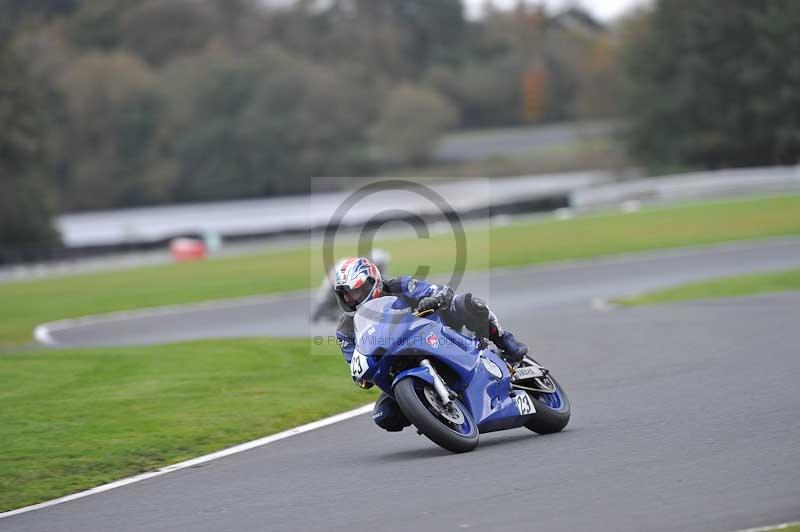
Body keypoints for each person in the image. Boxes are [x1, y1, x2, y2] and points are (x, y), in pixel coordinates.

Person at [333, 256, 529, 432]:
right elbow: (355, 365)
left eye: (355, 291)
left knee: (468, 303)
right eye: (345, 294)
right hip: (396, 362)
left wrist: (434, 298)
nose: (350, 298)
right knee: (384, 416)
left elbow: (437, 291)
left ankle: (506, 343)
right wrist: (361, 375)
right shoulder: (346, 330)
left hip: (437, 333)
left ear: (371, 282)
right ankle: (432, 412)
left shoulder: (400, 285)